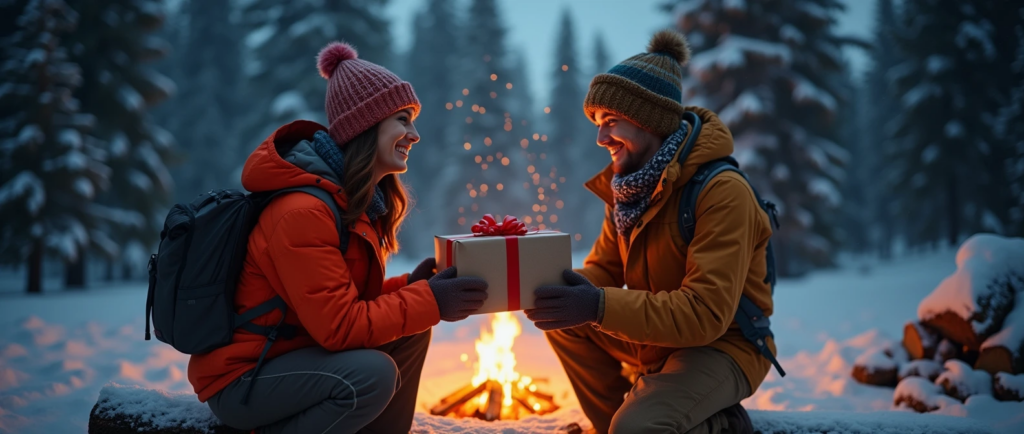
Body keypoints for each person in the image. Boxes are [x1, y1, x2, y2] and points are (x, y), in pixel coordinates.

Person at [187, 41, 488, 434]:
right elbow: (339, 328)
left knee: (412, 330)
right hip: (244, 380)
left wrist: (413, 286)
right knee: (372, 374)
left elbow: (343, 303)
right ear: (366, 124)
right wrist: (430, 299)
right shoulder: (303, 212)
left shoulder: (349, 203)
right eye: (402, 119)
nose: (414, 134)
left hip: (294, 357)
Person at [524, 30, 776, 434]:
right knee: (566, 325)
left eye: (611, 122)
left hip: (723, 346)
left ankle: (714, 424)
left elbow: (705, 314)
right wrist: (550, 287)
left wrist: (595, 306)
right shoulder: (629, 188)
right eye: (597, 123)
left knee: (638, 427)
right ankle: (626, 423)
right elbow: (603, 272)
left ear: (649, 121)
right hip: (658, 339)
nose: (601, 137)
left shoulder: (722, 191)